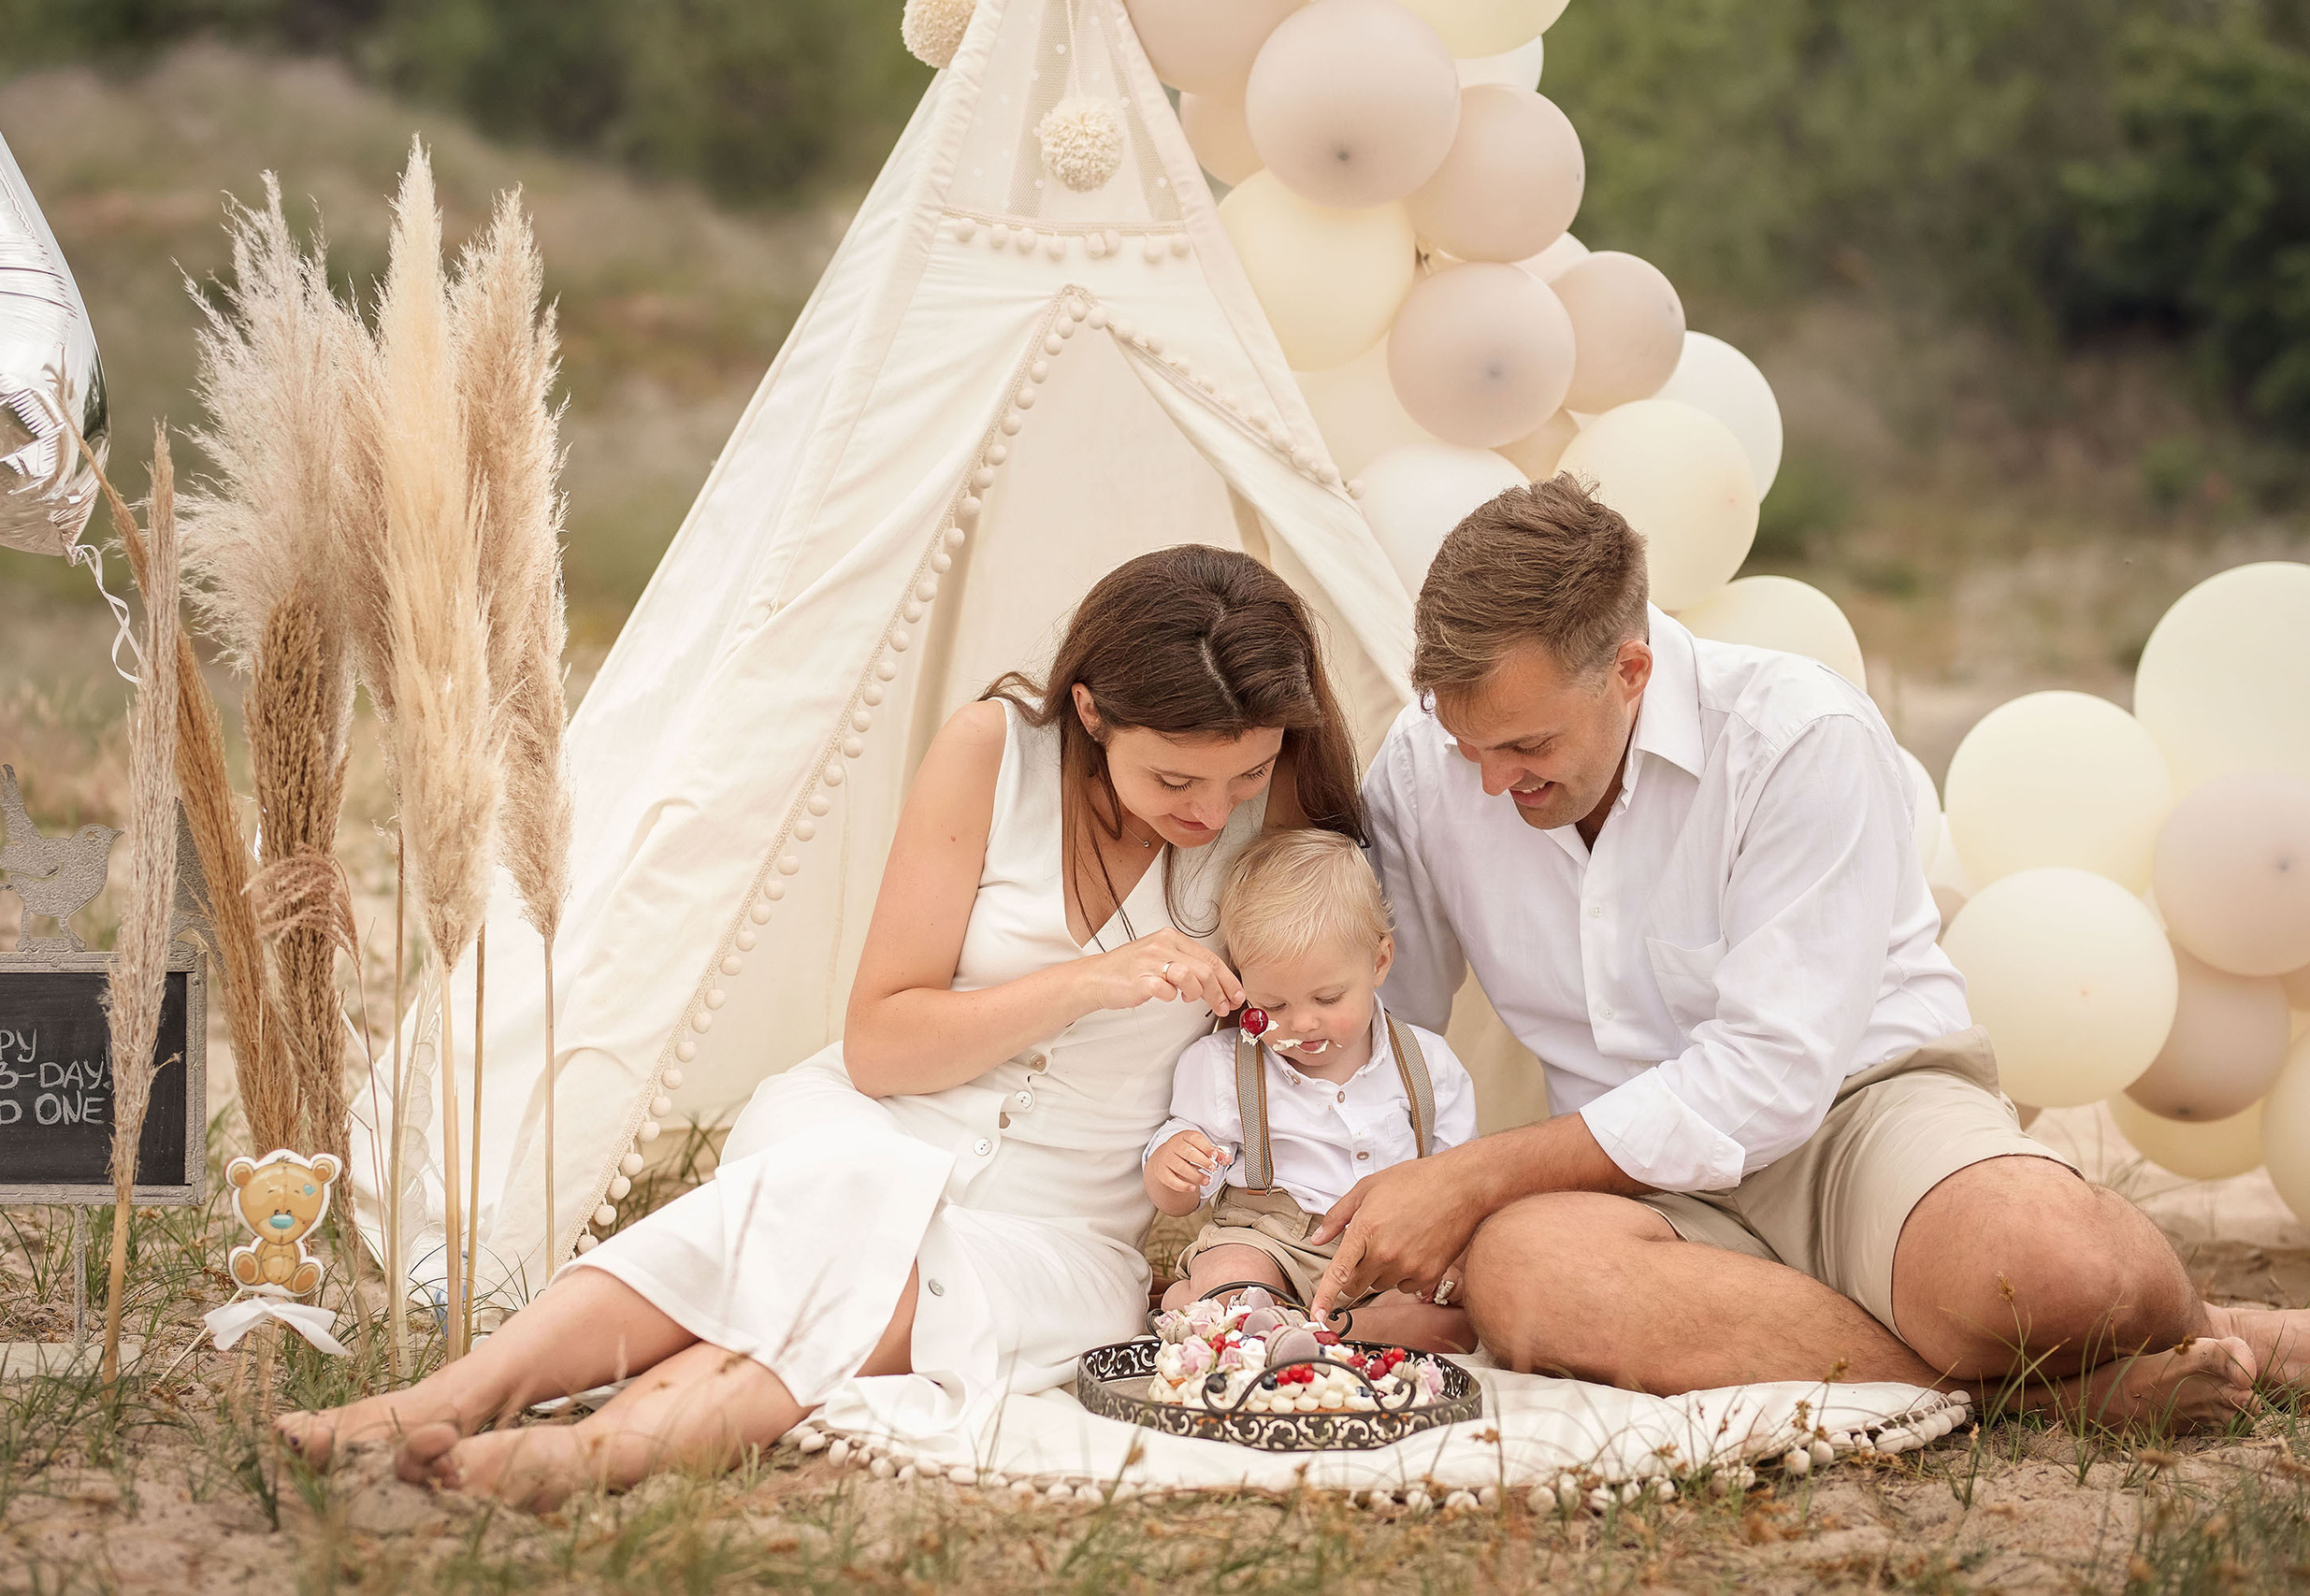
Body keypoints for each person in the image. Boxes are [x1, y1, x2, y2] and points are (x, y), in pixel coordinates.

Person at [276, 545, 1370, 1508]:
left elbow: (1329, 1040)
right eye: (1175, 776)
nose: (1211, 810)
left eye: (1248, 773)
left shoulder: (1282, 824)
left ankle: (602, 1448)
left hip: (1060, 1229)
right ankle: (450, 1399)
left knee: (884, 1272)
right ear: (1090, 711)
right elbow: (883, 1047)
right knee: (842, 1196)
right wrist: (1090, 983)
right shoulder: (995, 753)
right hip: (877, 1124)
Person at [1315, 475, 2304, 1428]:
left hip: (1859, 1113)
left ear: (1630, 671)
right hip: (1624, 1179)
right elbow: (1391, 1023)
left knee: (2050, 1270)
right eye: (1467, 746)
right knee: (1527, 1281)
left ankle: (2212, 1332)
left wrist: (1479, 1176)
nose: (1489, 784)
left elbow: (1771, 1077)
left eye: (1525, 747)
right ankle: (2033, 1402)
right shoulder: (1427, 755)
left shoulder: (1796, 733)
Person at [1144, 828, 1476, 1352]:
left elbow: (1458, 1185)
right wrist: (1172, 1171)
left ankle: (1313, 1333)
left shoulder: (1429, 1065)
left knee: (1453, 1323)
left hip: (1384, 1255)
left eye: (1327, 997)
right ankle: (1254, 1314)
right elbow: (1182, 1196)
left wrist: (1449, 1256)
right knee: (1234, 1275)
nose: (1301, 1023)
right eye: (1273, 1006)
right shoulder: (1223, 1067)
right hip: (1267, 1240)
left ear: (1379, 961)